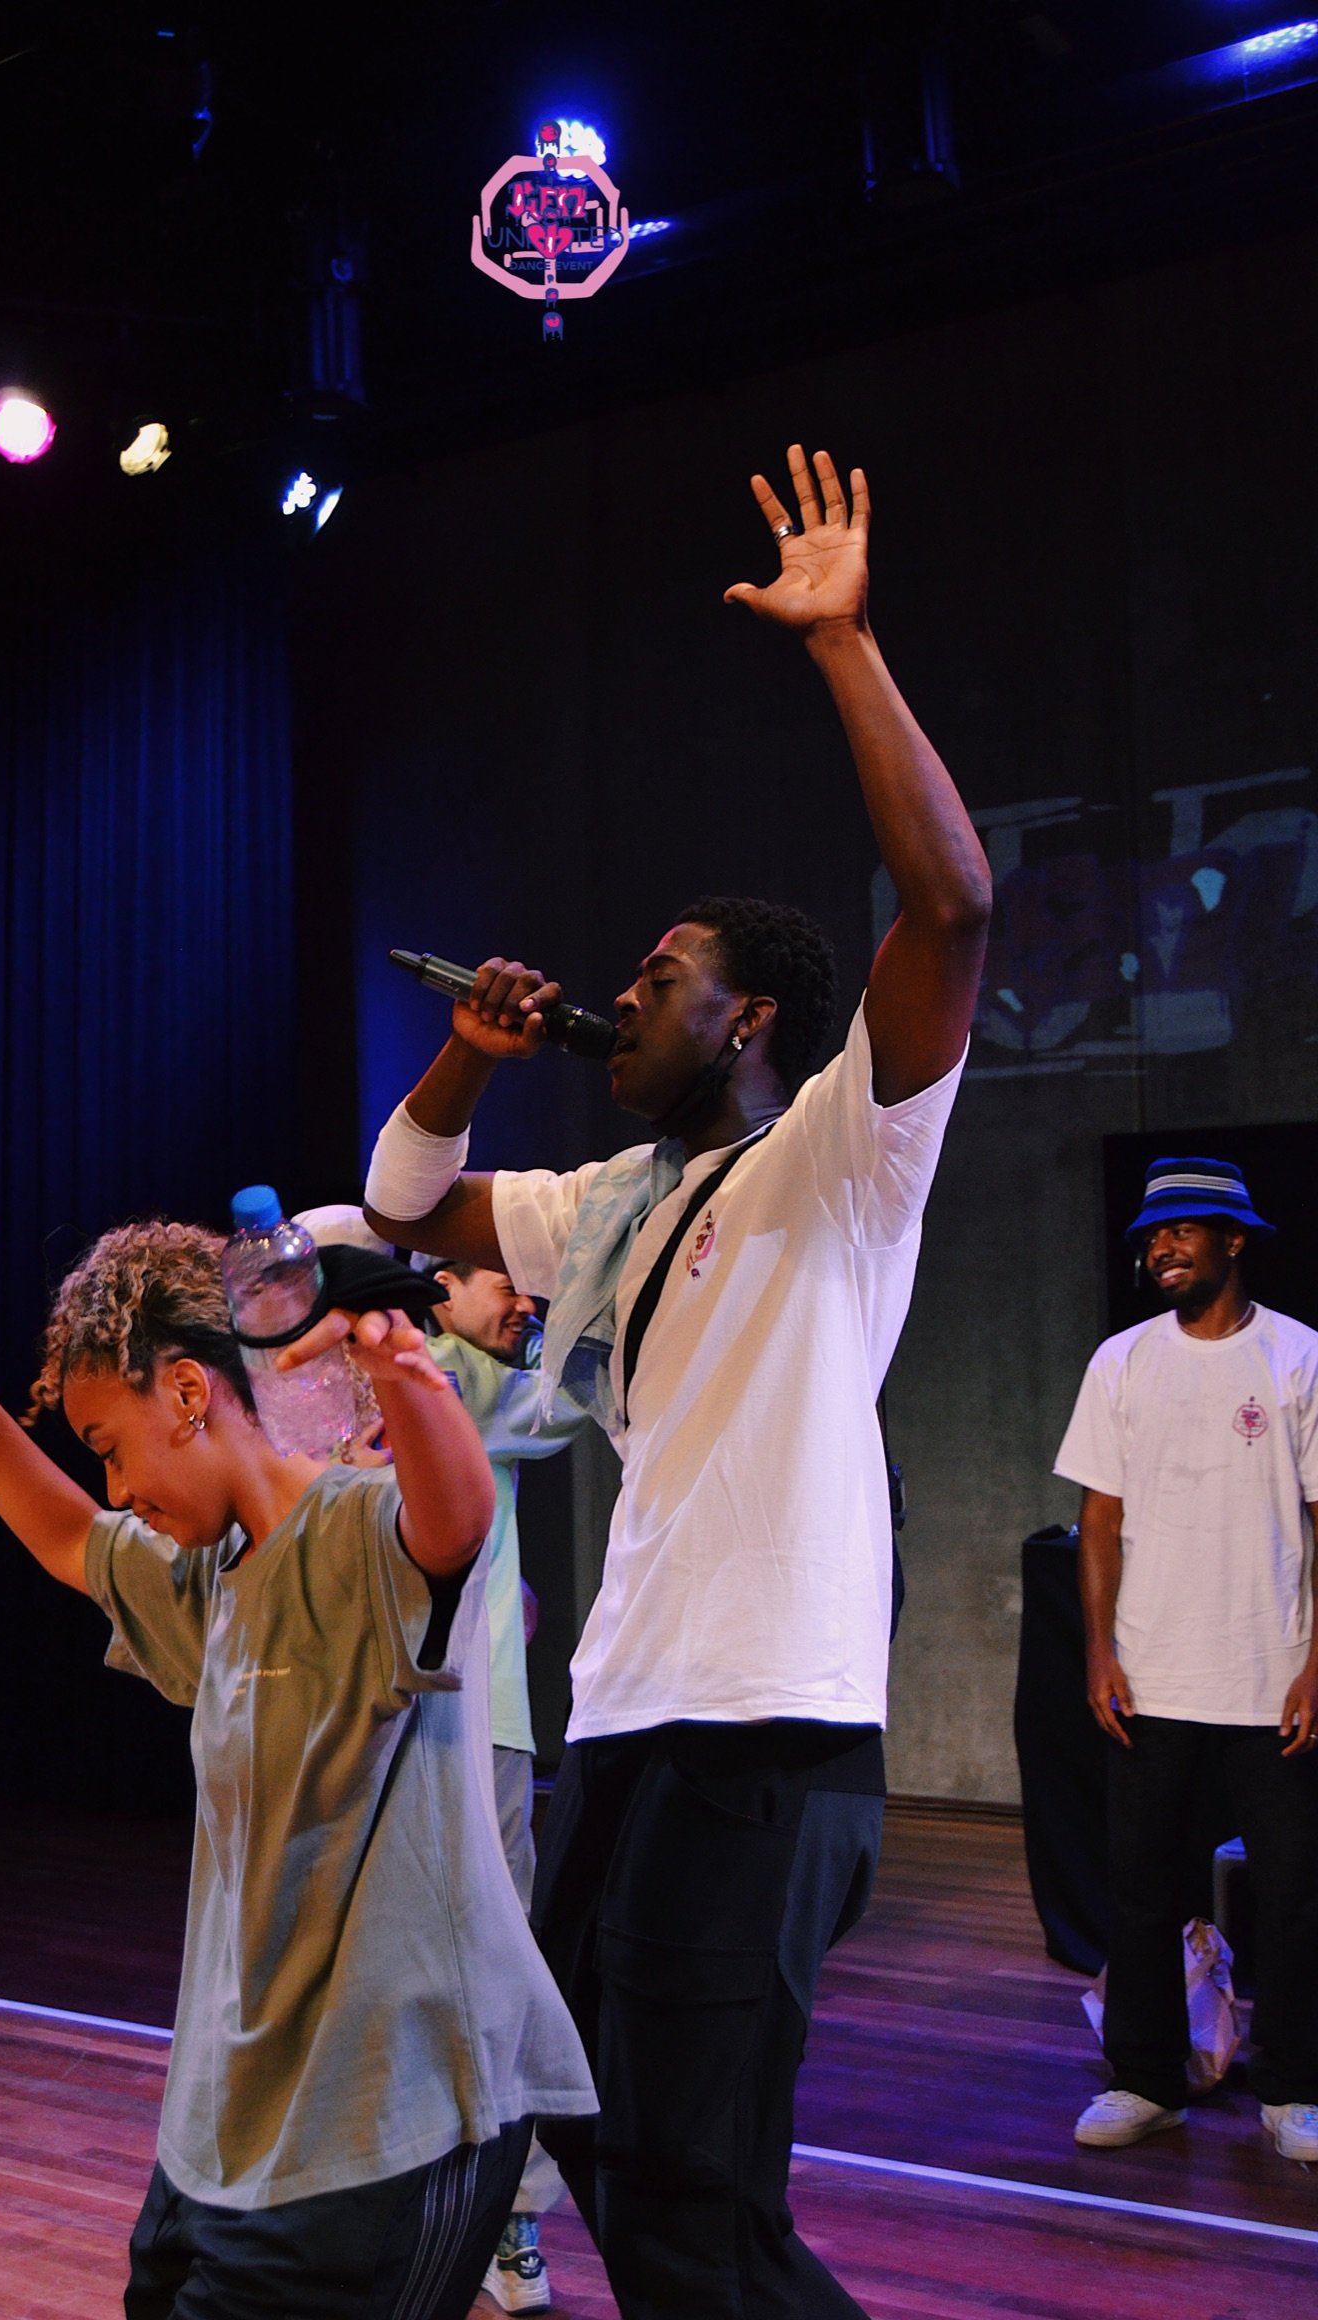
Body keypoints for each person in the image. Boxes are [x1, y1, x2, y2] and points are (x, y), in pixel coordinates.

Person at [363, 441, 992, 2319]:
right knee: (620, 2158)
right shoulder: (606, 1199)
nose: (622, 995)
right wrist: (466, 1057)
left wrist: (843, 646)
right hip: (631, 1717)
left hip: (770, 1725)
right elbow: (402, 1201)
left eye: (662, 976)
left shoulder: (831, 1159)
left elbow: (951, 910)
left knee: (703, 2189)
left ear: (754, 1021)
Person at [0, 1199, 596, 2320]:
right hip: (237, 2128)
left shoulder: (357, 1530)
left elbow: (455, 1523)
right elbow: (71, 1536)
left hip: (391, 2123)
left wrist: (399, 1356)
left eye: (111, 1447)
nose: (119, 1490)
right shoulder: (210, 1575)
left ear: (184, 1391)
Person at [1055, 1156, 1318, 2161]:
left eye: (1185, 1230)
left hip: (1272, 1669)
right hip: (1152, 1669)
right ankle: (1145, 2079)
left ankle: (1293, 2087)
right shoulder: (1120, 1361)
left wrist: (1315, 1665)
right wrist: (1099, 1651)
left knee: (1293, 1890)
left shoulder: (1299, 1358)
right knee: (1140, 1886)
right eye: (1151, 1236)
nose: (1161, 1247)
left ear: (1235, 1240)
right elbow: (1099, 1517)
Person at [423, 1256, 586, 2315]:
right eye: (497, 1278)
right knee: (486, 1971)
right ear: (432, 1285)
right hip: (443, 1727)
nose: (519, 1299)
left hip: (472, 1725)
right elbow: (582, 1395)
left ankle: (501, 2219)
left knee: (491, 1969)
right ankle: (486, 2216)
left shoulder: (426, 1379)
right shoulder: (445, 1378)